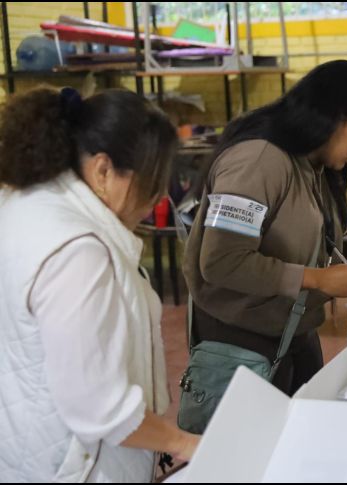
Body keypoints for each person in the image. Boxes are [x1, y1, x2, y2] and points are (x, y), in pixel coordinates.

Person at [0, 88, 200, 482]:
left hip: (29, 447)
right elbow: (100, 408)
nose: (159, 197)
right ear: (103, 170)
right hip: (79, 466)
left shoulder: (26, 204)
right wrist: (185, 444)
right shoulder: (77, 250)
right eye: (152, 182)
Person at [183, 60, 347, 397]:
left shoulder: (311, 167)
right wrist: (317, 280)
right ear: (336, 115)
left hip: (293, 335)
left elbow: (312, 252)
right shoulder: (258, 160)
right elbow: (221, 261)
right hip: (241, 344)